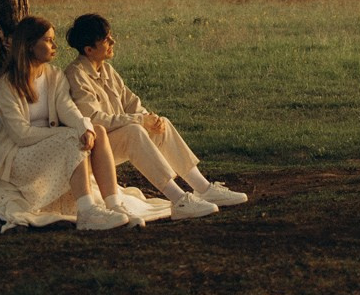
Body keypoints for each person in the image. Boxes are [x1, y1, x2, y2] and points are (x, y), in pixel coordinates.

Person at [0, 15, 145, 232]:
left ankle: (115, 206)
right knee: (70, 137)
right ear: (30, 45)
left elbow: (67, 108)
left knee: (97, 131)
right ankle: (87, 213)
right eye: (48, 40)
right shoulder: (8, 84)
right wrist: (65, 134)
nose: (54, 46)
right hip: (19, 156)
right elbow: (20, 135)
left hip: (53, 147)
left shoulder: (54, 76)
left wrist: (83, 127)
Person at [63, 12, 249, 219]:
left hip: (118, 136)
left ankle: (204, 189)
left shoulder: (107, 70)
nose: (113, 41)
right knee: (133, 131)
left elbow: (131, 102)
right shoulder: (76, 75)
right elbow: (94, 119)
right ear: (89, 49)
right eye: (106, 40)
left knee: (163, 125)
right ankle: (178, 200)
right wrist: (140, 120)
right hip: (95, 150)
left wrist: (150, 119)